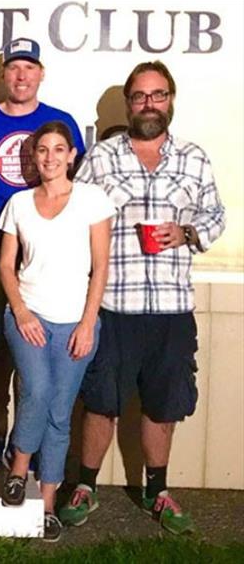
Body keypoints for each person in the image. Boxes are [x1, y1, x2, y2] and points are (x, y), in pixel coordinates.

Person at [59, 61, 226, 535]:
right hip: (114, 306)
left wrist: (188, 231)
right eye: (140, 96)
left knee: (163, 404)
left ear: (171, 99)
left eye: (158, 95)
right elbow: (76, 218)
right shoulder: (103, 157)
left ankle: (158, 490)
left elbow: (216, 214)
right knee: (101, 402)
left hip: (172, 309)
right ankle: (86, 486)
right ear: (129, 103)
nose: (149, 104)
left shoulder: (193, 157)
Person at [0, 37, 87, 473]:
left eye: (29, 68)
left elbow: (80, 191)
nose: (21, 76)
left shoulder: (60, 122)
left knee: (37, 358)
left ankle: (29, 442)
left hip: (43, 258)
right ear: (3, 75)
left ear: (41, 74)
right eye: (13, 68)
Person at [0, 121, 114, 541]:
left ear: (71, 155)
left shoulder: (92, 200)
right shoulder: (19, 202)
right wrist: (21, 312)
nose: (49, 157)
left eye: (57, 149)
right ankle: (18, 469)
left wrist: (87, 323)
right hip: (29, 316)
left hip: (75, 322)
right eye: (41, 150)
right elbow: (6, 266)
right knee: (38, 391)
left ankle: (47, 505)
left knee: (60, 413)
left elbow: (100, 267)